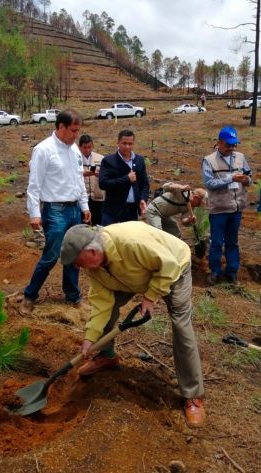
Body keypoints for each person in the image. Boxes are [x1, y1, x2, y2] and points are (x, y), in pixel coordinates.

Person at [60, 223, 206, 428]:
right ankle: (106, 355)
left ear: (92, 251)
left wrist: (150, 296)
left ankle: (193, 395)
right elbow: (101, 303)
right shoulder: (93, 267)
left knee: (181, 323)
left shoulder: (130, 242)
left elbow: (169, 264)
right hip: (134, 276)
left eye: (77, 262)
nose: (77, 267)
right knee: (107, 311)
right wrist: (89, 339)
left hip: (173, 267)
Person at [19, 109, 90, 316]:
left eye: (78, 131)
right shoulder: (43, 150)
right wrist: (34, 213)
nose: (76, 135)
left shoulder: (74, 150)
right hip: (55, 211)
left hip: (74, 209)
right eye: (73, 131)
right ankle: (29, 296)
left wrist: (84, 207)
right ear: (61, 127)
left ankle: (73, 296)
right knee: (50, 257)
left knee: (74, 256)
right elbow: (34, 185)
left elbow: (79, 180)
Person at [202, 126, 252, 285]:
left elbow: (249, 176)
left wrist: (246, 180)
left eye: (234, 145)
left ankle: (232, 272)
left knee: (232, 241)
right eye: (228, 145)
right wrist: (231, 178)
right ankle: (215, 271)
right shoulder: (209, 160)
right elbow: (209, 183)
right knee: (216, 242)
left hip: (236, 208)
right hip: (219, 209)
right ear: (219, 143)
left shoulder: (240, 157)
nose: (231, 148)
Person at [99, 129, 149, 225]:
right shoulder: (108, 161)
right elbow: (103, 183)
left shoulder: (139, 160)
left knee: (129, 239)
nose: (127, 146)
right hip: (112, 211)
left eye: (130, 144)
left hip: (131, 211)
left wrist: (143, 199)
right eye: (124, 143)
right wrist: (126, 179)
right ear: (118, 143)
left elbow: (144, 183)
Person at [79, 134, 104, 225]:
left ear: (92, 146)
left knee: (98, 225)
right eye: (84, 147)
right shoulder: (75, 158)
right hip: (82, 199)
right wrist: (82, 174)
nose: (87, 150)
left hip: (98, 198)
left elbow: (106, 176)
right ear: (80, 147)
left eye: (89, 147)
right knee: (83, 225)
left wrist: (100, 175)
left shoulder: (101, 158)